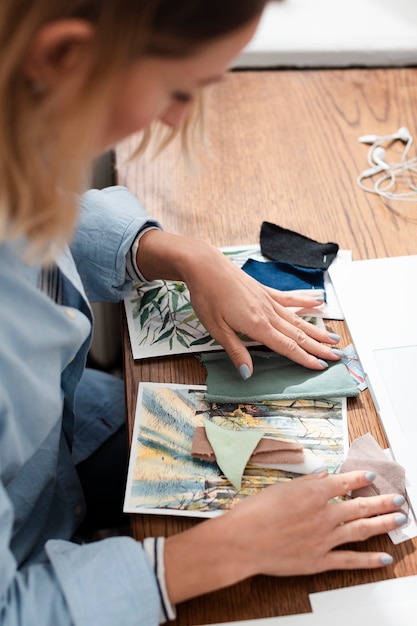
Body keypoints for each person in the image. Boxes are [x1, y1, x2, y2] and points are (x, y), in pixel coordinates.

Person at [0, 2, 407, 624]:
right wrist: (228, 549)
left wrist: (172, 251)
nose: (178, 116)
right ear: (63, 54)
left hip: (60, 440)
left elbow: (28, 215)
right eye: (178, 88)